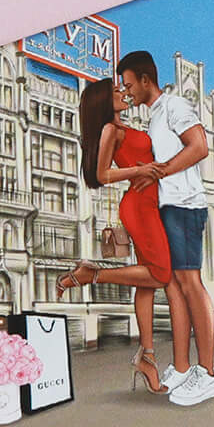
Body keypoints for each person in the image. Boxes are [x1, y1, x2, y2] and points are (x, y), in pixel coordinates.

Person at [115, 50, 214, 407]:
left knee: (190, 284)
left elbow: (200, 146)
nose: (127, 92)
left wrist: (160, 171)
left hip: (185, 205)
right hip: (166, 208)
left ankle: (207, 373)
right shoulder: (154, 116)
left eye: (130, 85)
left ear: (146, 80)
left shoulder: (175, 106)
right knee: (172, 286)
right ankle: (182, 367)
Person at [56, 77, 173, 395]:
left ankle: (147, 357)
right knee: (160, 274)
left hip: (150, 202)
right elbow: (101, 174)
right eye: (115, 91)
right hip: (139, 205)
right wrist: (140, 170)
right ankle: (92, 274)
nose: (123, 91)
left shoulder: (124, 126)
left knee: (147, 283)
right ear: (103, 102)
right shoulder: (111, 129)